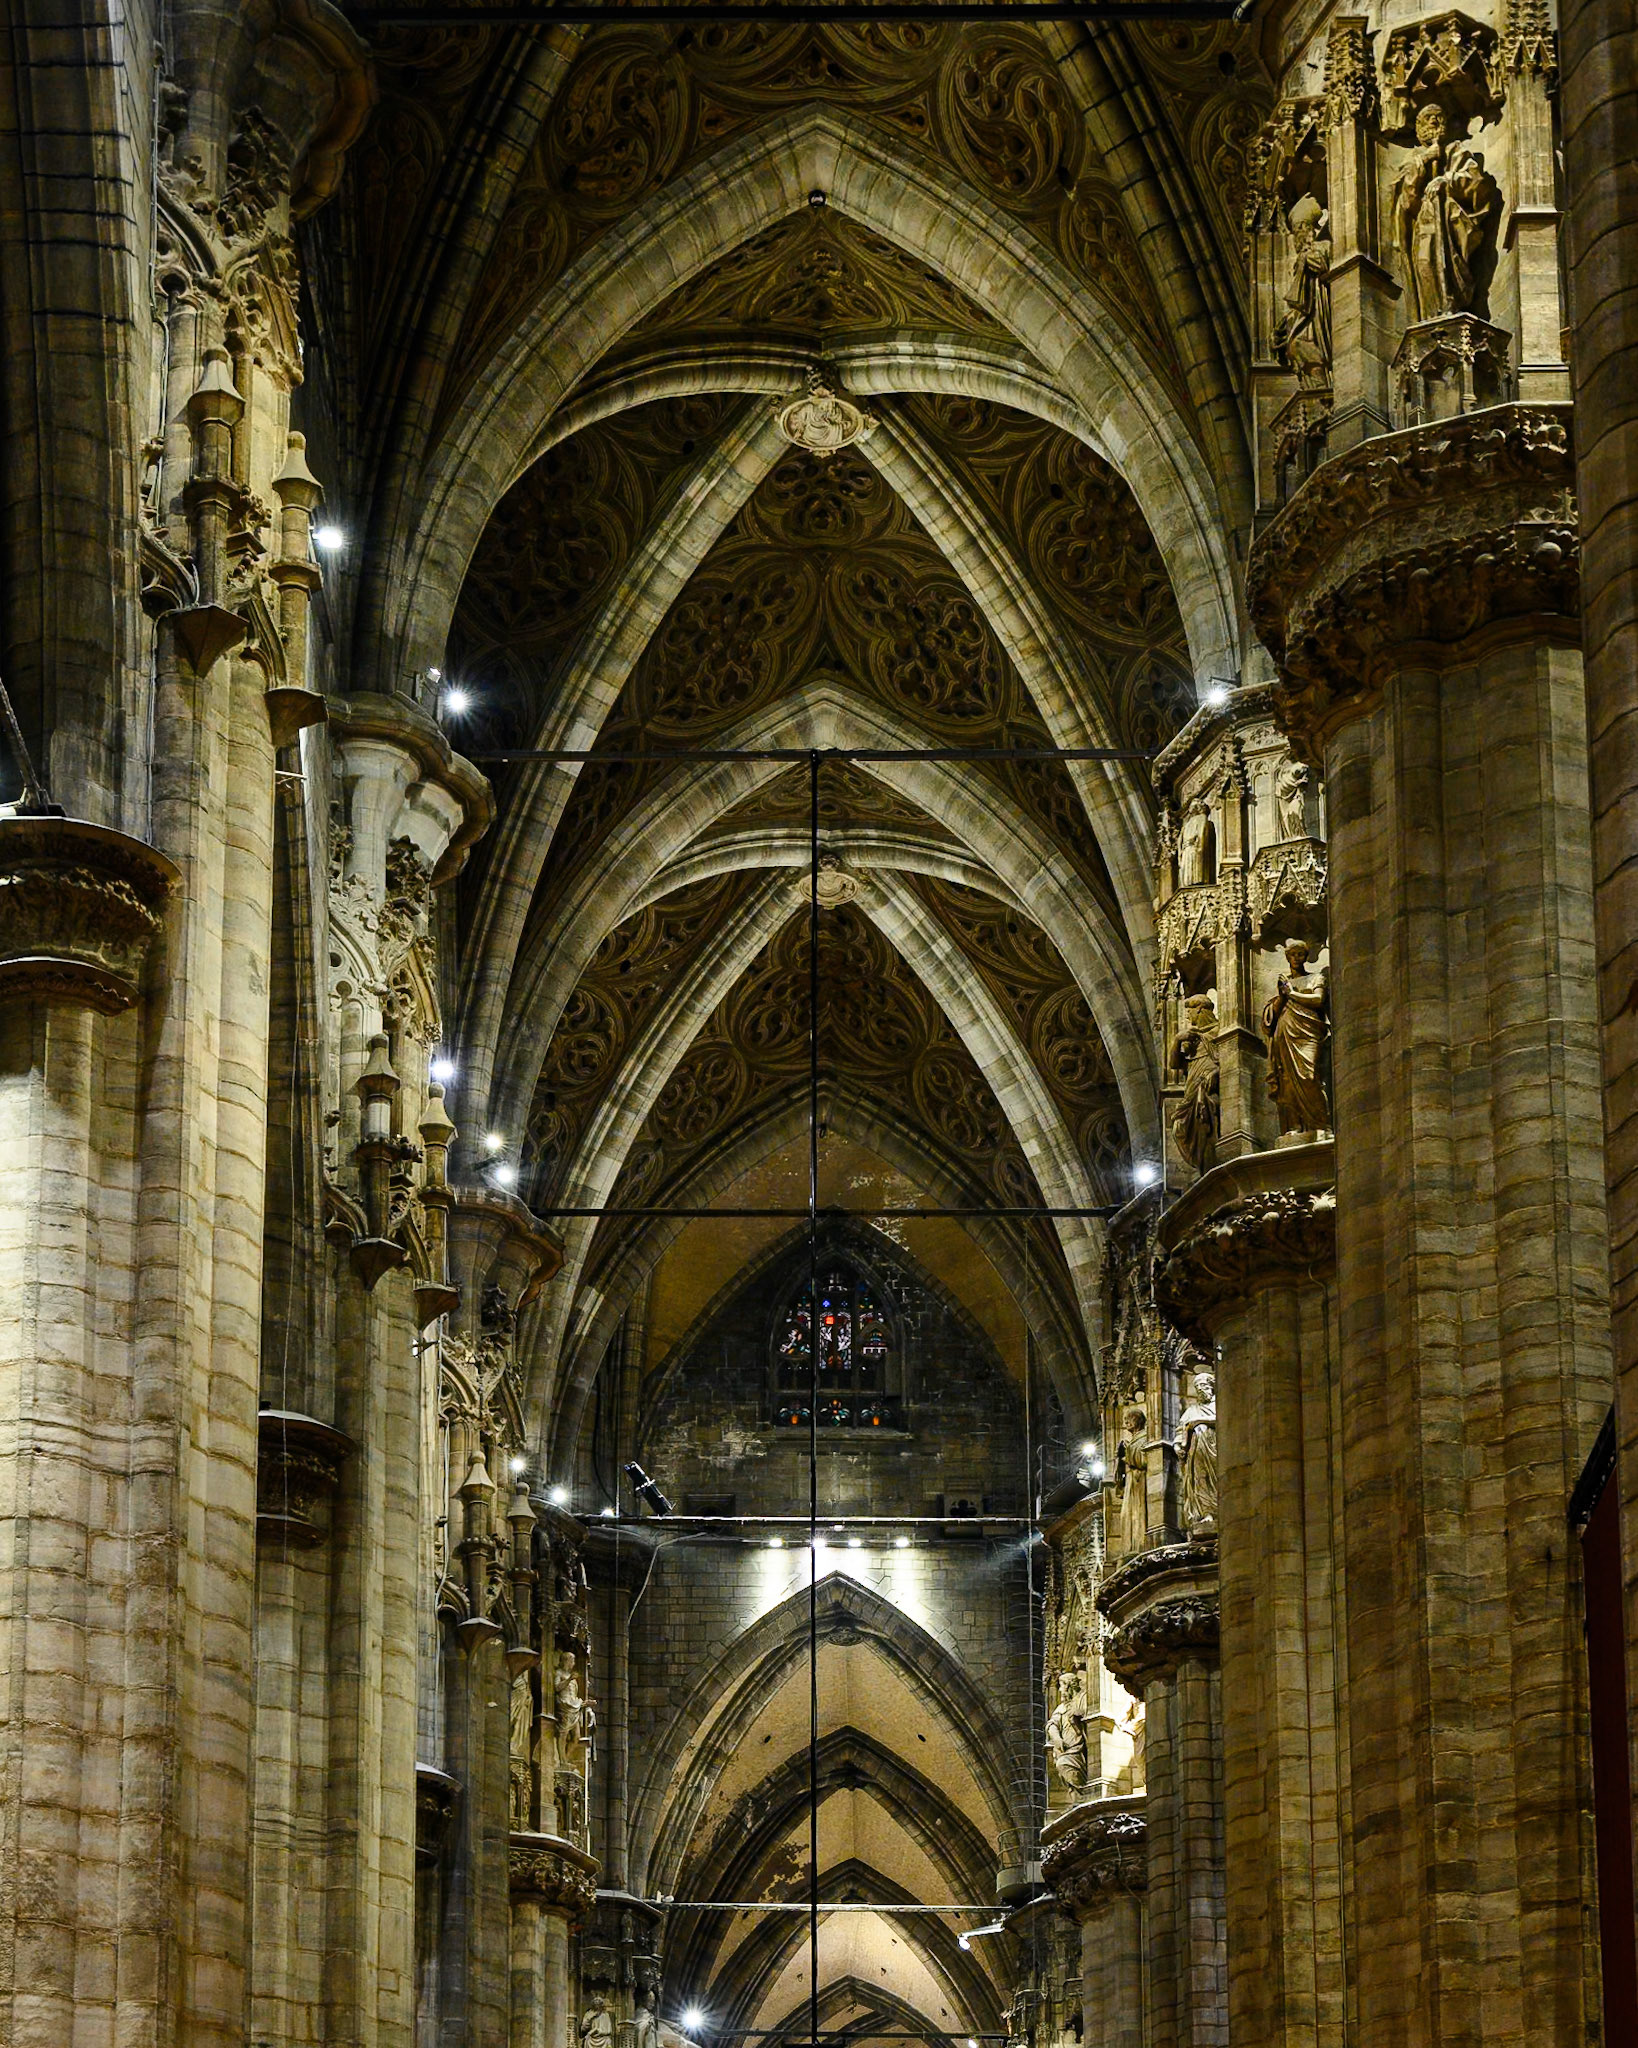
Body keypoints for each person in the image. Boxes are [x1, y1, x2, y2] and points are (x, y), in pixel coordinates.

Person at [1263, 938, 1330, 1133]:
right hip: (1285, 1032)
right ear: (1287, 957)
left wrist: (1291, 993)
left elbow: (1318, 999)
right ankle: (1294, 1125)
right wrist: (1282, 996)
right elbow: (1270, 1018)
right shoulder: (1284, 984)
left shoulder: (1316, 978)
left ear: (1306, 957)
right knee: (1287, 1081)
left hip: (1308, 1031)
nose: (1296, 958)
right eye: (1292, 954)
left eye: (1300, 954)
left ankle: (1320, 1125)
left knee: (1309, 1076)